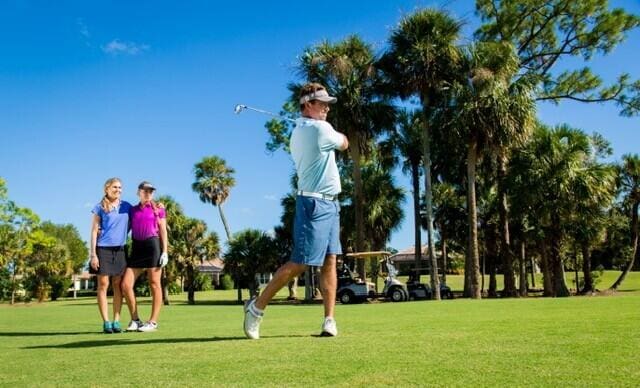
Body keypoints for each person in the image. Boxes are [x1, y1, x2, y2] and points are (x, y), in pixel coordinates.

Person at [243, 82, 349, 339]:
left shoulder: (301, 130)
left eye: (327, 104)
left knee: (330, 260)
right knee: (300, 262)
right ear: (308, 105)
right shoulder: (320, 130)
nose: (326, 108)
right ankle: (256, 308)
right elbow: (344, 143)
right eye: (321, 104)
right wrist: (325, 127)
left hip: (330, 202)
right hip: (314, 204)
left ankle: (329, 320)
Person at [121, 181, 168, 332]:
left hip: (152, 246)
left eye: (150, 191)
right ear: (138, 192)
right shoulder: (132, 210)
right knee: (126, 285)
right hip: (136, 247)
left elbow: (163, 231)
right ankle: (135, 320)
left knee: (154, 284)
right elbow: (125, 227)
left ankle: (153, 322)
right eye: (145, 191)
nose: (148, 193)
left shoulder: (158, 209)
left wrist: (165, 251)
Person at [90, 177, 132, 334]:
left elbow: (142, 212)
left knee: (118, 285)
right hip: (103, 249)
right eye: (115, 187)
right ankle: (106, 322)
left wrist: (157, 206)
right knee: (103, 285)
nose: (118, 190)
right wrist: (93, 254)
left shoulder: (126, 206)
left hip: (120, 249)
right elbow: (94, 231)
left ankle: (116, 321)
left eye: (120, 187)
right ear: (106, 189)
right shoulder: (99, 207)